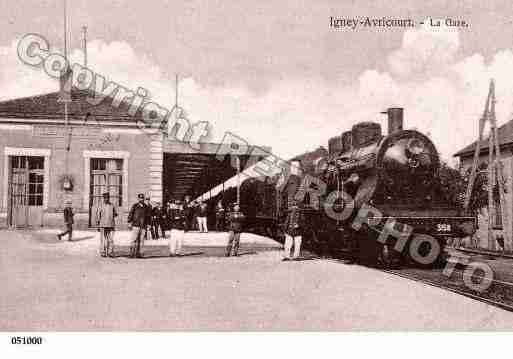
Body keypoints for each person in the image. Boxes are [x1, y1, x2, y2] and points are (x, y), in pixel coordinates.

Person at [95, 192, 118, 257]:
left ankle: (110, 252)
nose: (106, 199)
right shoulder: (100, 206)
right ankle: (103, 252)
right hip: (102, 225)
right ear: (103, 198)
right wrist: (98, 225)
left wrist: (113, 215)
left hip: (111, 225)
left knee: (111, 239)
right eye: (105, 198)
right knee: (103, 239)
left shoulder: (112, 205)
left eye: (107, 198)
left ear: (109, 198)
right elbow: (97, 215)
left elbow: (115, 213)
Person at [127, 194, 150, 258]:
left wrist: (149, 224)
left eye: (142, 198)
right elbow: (131, 214)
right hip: (136, 225)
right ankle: (132, 253)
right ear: (138, 199)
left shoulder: (146, 207)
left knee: (141, 240)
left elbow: (148, 216)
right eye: (140, 198)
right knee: (134, 239)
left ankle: (140, 253)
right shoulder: (135, 206)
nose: (141, 199)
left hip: (143, 226)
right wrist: (129, 222)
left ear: (143, 199)